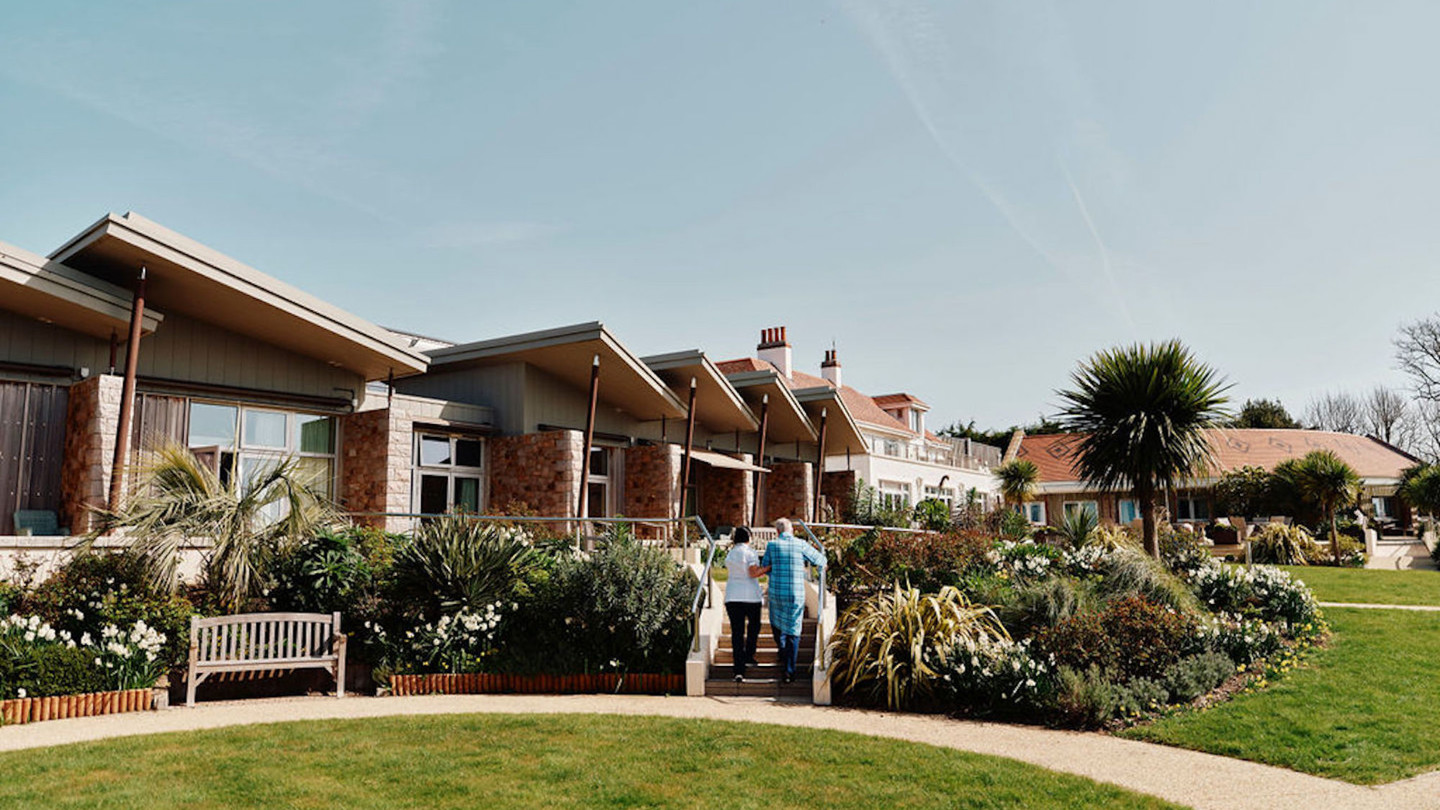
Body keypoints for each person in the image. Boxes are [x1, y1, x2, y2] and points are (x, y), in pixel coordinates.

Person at [758, 517, 826, 684]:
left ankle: (782, 650)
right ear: (792, 531)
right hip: (796, 593)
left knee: (776, 623)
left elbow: (765, 567)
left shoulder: (772, 545)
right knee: (793, 630)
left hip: (776, 592)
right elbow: (821, 560)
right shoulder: (800, 544)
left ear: (777, 531)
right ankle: (789, 670)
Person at [723, 526, 764, 682]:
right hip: (751, 596)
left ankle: (738, 669)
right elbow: (753, 572)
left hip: (732, 596)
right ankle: (749, 655)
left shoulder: (731, 553)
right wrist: (768, 568)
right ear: (749, 538)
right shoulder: (750, 552)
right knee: (754, 627)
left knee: (737, 633)